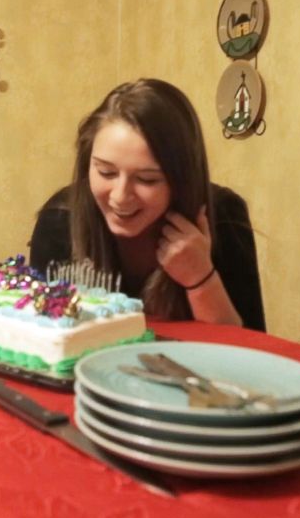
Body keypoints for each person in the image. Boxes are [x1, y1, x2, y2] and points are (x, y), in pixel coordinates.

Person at [29, 79, 265, 331]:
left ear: (182, 179)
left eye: (147, 179)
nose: (120, 196)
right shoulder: (60, 220)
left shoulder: (223, 216)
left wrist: (201, 278)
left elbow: (248, 354)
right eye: (106, 172)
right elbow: (42, 339)